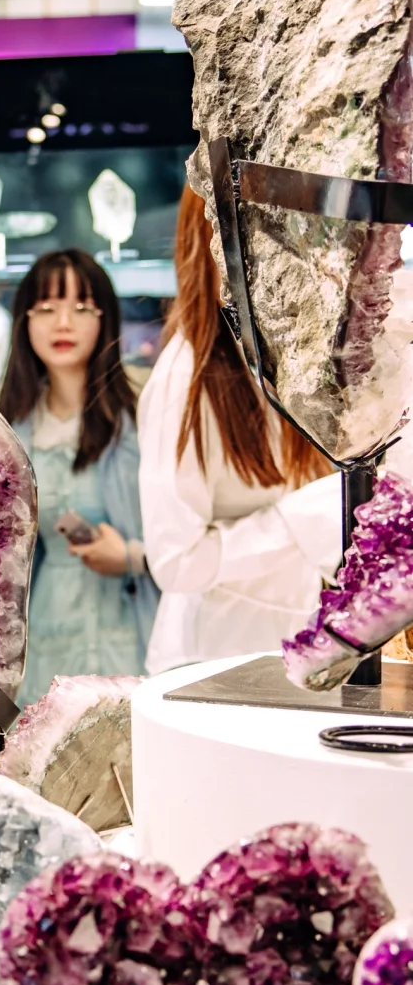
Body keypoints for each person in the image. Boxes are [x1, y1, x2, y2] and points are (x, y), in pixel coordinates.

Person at [137, 184, 340, 674]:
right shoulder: (187, 377)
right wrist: (309, 519)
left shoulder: (297, 353)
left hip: (297, 647)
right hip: (213, 662)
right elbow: (176, 560)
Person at [0, 249, 157, 706]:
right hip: (48, 631)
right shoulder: (11, 428)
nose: (62, 323)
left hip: (135, 623)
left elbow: (187, 535)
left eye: (81, 308)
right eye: (46, 309)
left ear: (105, 319)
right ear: (24, 321)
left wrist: (132, 556)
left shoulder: (144, 407)